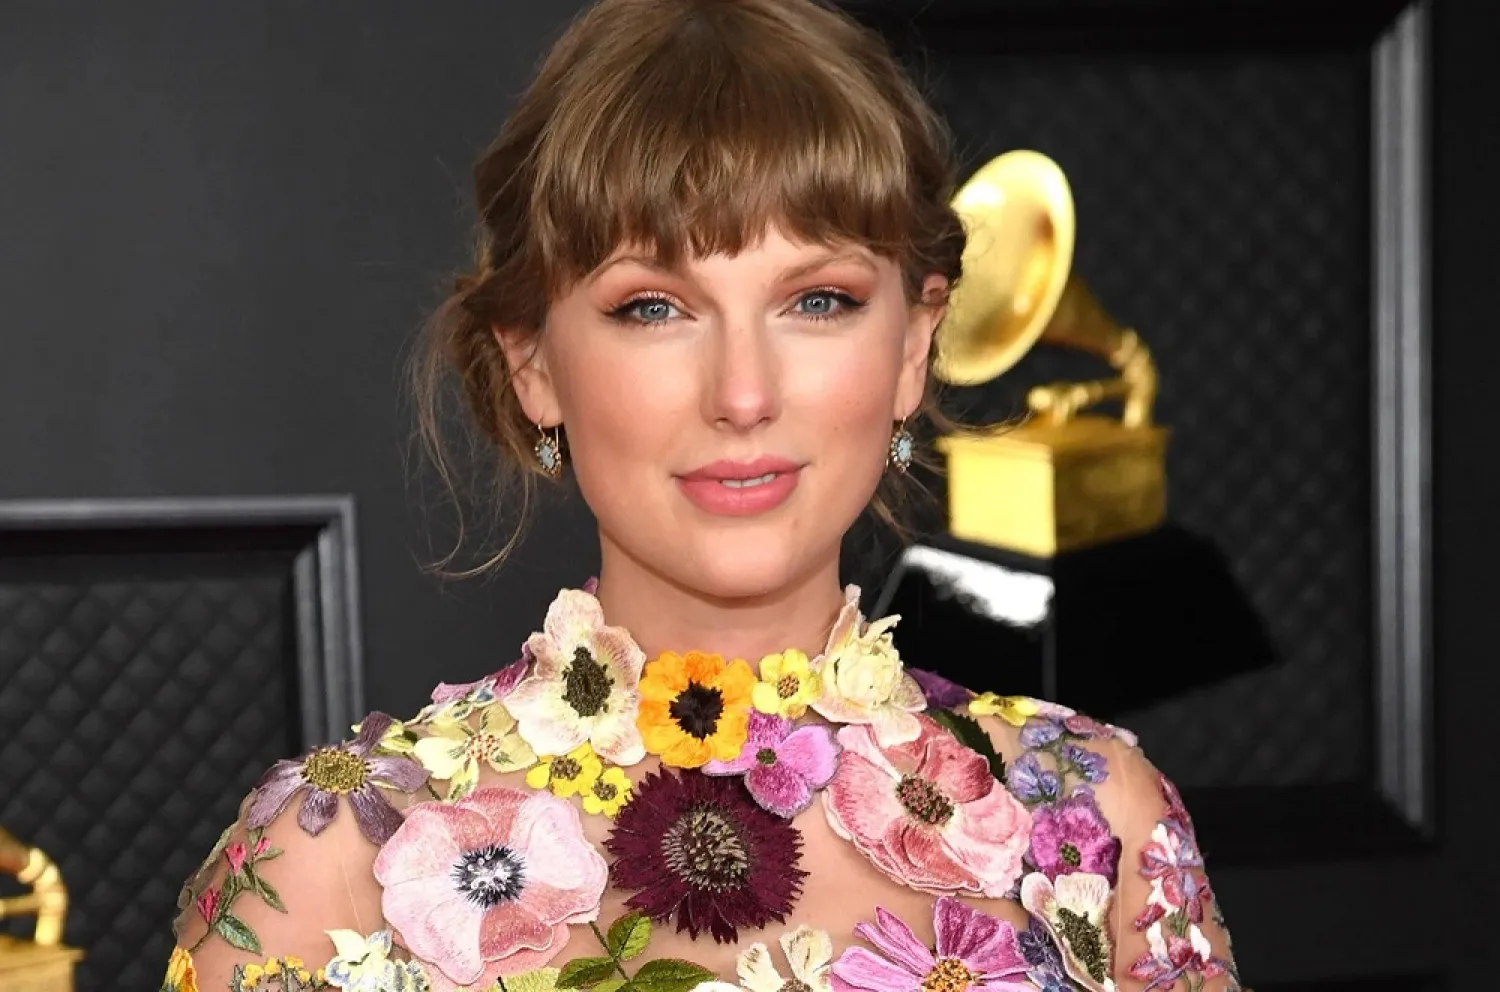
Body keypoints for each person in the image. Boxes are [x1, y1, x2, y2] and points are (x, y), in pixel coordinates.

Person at [164, 1, 1244, 990]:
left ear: (916, 344)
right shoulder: (324, 861)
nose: (743, 393)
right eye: (653, 306)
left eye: (817, 299)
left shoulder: (1097, 821)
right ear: (533, 359)